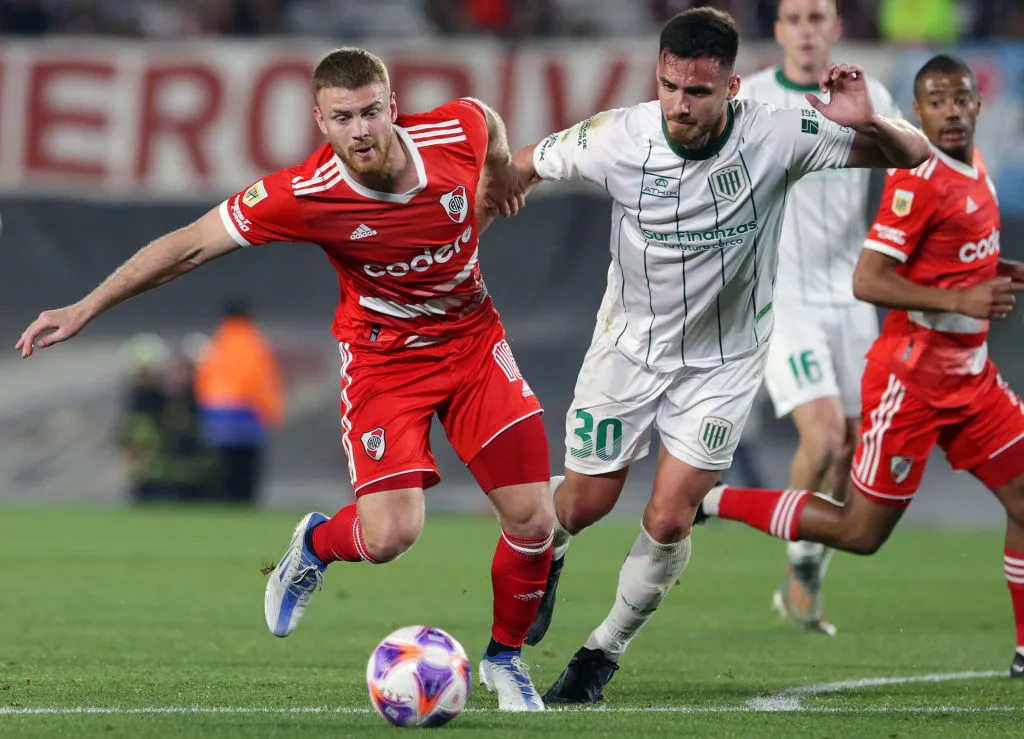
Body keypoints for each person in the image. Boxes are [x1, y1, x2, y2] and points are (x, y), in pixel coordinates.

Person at [16, 47, 555, 711]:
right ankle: (314, 545)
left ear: (391, 105)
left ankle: (505, 659)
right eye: (342, 117)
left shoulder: (454, 133)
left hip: (475, 345)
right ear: (319, 121)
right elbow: (187, 245)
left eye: (369, 112)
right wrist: (85, 307)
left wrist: (498, 171)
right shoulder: (304, 193)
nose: (359, 130)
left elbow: (486, 118)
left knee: (534, 519)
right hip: (385, 362)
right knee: (390, 537)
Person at [511, 7, 930, 704]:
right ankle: (551, 550)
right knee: (583, 503)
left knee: (672, 516)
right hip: (627, 350)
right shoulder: (620, 135)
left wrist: (870, 121)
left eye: (697, 91)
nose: (679, 103)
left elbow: (911, 154)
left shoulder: (779, 132)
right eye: (670, 85)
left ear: (732, 88)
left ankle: (599, 655)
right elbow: (529, 161)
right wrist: (499, 191)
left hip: (724, 360)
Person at [697, 54, 1024, 679]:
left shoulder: (973, 163)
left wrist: (990, 274)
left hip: (972, 378)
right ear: (919, 112)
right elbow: (868, 279)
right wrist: (961, 298)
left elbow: (955, 254)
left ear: (978, 105)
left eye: (960, 99)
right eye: (936, 102)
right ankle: (713, 500)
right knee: (860, 530)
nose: (951, 111)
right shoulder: (919, 177)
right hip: (913, 382)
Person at [737, 0, 901, 635]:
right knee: (825, 435)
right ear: (779, 31)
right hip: (787, 299)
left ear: (835, 29)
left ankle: (804, 570)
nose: (807, 30)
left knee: (854, 449)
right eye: (795, 18)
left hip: (853, 298)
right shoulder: (750, 98)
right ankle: (795, 558)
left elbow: (898, 174)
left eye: (818, 17)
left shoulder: (872, 92)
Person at [194, 299, 285, 505]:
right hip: (247, 414)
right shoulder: (256, 344)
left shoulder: (217, 343)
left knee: (222, 469)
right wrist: (272, 413)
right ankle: (244, 503)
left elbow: (203, 381)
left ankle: (223, 504)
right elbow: (264, 383)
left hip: (216, 414)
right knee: (246, 469)